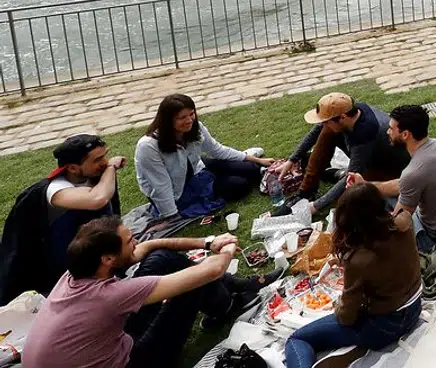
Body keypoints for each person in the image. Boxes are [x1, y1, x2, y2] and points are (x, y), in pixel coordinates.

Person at [22, 217, 244, 368]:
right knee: (195, 281)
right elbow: (211, 270)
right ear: (108, 259)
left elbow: (149, 246)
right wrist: (227, 248)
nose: (136, 242)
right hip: (133, 363)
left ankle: (229, 293)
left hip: (102, 348)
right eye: (129, 241)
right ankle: (225, 305)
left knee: (160, 258)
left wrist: (207, 243)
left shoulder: (74, 274)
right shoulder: (111, 295)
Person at [284, 183, 424, 368]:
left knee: (297, 340)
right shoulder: (403, 225)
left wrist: (338, 305)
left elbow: (347, 316)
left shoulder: (358, 260)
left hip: (386, 326)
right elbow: (386, 256)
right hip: (414, 308)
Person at [0, 134, 123, 303]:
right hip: (65, 270)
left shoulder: (93, 177)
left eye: (105, 156)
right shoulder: (56, 190)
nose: (104, 162)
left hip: (98, 254)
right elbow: (97, 199)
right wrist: (111, 168)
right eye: (97, 160)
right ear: (73, 168)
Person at [134, 94, 271, 221]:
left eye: (191, 114)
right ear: (167, 120)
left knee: (252, 169)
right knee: (240, 185)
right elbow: (160, 185)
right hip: (178, 190)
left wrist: (258, 160)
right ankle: (222, 178)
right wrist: (171, 215)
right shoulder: (148, 147)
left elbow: (218, 150)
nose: (189, 120)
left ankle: (249, 158)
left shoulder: (196, 128)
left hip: (195, 168)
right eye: (182, 117)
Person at [348, 105, 436, 253]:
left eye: (391, 128)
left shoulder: (413, 173)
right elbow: (403, 184)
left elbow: (399, 223)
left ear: (405, 134)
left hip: (434, 236)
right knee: (377, 192)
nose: (387, 132)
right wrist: (365, 184)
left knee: (374, 205)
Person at [273, 93, 410, 217]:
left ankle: (333, 179)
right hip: (367, 155)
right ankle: (306, 192)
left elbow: (352, 176)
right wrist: (291, 160)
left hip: (388, 169)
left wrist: (316, 206)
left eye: (326, 121)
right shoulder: (350, 112)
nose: (323, 124)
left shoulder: (366, 133)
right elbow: (315, 132)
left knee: (349, 198)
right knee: (327, 132)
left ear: (343, 118)